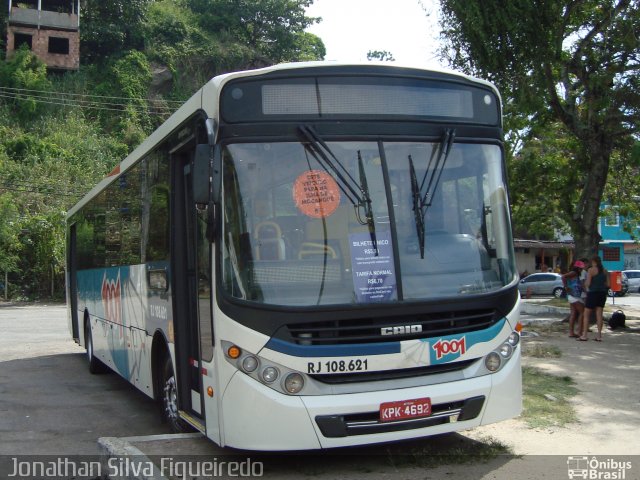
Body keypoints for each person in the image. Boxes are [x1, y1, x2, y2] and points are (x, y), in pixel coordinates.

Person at [579, 255, 609, 341]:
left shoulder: (591, 270)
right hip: (602, 294)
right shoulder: (605, 271)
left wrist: (585, 284)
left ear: (593, 262)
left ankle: (584, 335)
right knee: (599, 314)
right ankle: (599, 335)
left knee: (586, 314)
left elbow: (588, 283)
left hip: (593, 293)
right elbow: (608, 284)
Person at [562, 260, 585, 337]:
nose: (582, 270)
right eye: (581, 268)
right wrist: (566, 286)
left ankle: (571, 332)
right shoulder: (574, 273)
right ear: (578, 268)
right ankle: (579, 331)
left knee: (573, 314)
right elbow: (563, 276)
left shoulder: (575, 274)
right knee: (582, 312)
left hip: (572, 295)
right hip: (574, 295)